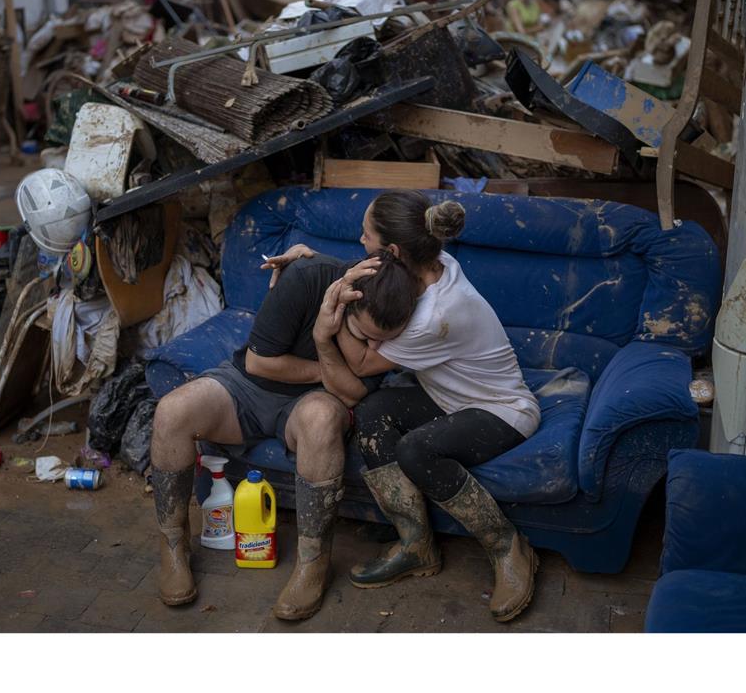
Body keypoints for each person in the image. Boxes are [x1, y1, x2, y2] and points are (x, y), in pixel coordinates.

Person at [261, 190, 542, 622]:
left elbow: (358, 364)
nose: (359, 240)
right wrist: (310, 262)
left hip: (501, 409)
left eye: (366, 234)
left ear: (391, 251)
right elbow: (372, 277)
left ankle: (508, 546)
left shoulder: (434, 315)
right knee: (373, 414)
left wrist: (330, 316)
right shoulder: (433, 263)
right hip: (448, 399)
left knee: (416, 449)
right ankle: (416, 545)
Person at [150, 250, 416, 621]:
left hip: (312, 403)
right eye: (363, 336)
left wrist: (325, 341)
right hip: (249, 384)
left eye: (382, 343)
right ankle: (173, 545)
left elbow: (353, 394)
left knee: (321, 417)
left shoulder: (398, 314)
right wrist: (330, 369)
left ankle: (312, 562)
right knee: (172, 412)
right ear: (344, 299)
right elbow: (260, 363)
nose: (372, 351)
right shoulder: (307, 278)